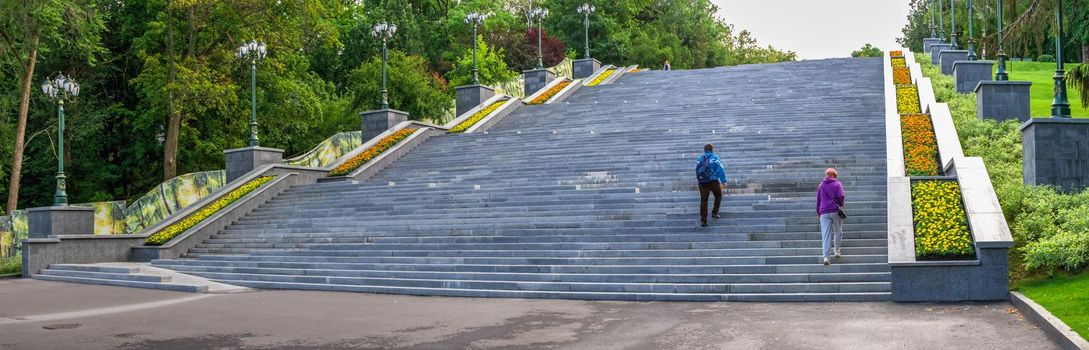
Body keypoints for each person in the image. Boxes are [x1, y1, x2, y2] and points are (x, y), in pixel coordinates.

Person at [816, 168, 846, 265]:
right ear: (834, 175)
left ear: (826, 175)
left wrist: (818, 212)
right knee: (838, 231)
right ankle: (836, 251)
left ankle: (826, 257)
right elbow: (841, 196)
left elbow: (818, 200)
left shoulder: (821, 186)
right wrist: (840, 204)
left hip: (824, 212)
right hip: (835, 210)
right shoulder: (837, 184)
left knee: (826, 235)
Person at [695, 144, 727, 227]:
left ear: (704, 150)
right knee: (718, 195)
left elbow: (697, 170)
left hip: (702, 182)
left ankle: (703, 221)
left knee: (704, 201)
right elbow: (720, 169)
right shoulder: (715, 157)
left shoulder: (700, 159)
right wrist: (724, 181)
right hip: (713, 180)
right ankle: (714, 213)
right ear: (712, 150)